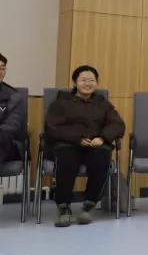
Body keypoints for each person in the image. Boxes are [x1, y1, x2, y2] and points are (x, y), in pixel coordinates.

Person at [44, 65, 125, 227]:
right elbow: (52, 127)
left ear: (96, 83)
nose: (88, 84)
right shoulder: (61, 102)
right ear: (75, 82)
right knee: (67, 160)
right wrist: (77, 138)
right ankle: (63, 207)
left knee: (101, 158)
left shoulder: (102, 103)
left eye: (92, 80)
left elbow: (117, 124)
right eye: (83, 80)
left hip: (94, 144)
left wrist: (102, 138)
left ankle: (89, 204)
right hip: (68, 143)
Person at [0, 53, 28, 164]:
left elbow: (11, 127)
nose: (0, 72)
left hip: (6, 144)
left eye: (2, 68)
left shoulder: (14, 97)